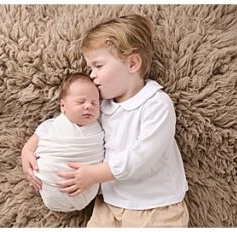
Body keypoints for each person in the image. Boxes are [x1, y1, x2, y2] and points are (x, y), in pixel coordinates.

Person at [28, 14, 190, 227]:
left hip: (156, 206)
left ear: (132, 63)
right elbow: (63, 122)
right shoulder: (100, 106)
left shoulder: (156, 103)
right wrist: (29, 149)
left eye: (98, 66)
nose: (91, 75)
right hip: (109, 204)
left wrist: (94, 174)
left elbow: (141, 157)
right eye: (90, 68)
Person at [20, 73, 105, 212]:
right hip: (49, 184)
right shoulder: (51, 126)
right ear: (63, 106)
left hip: (86, 189)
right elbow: (29, 148)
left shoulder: (99, 128)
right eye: (80, 102)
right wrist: (26, 154)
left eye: (95, 102)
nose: (89, 106)